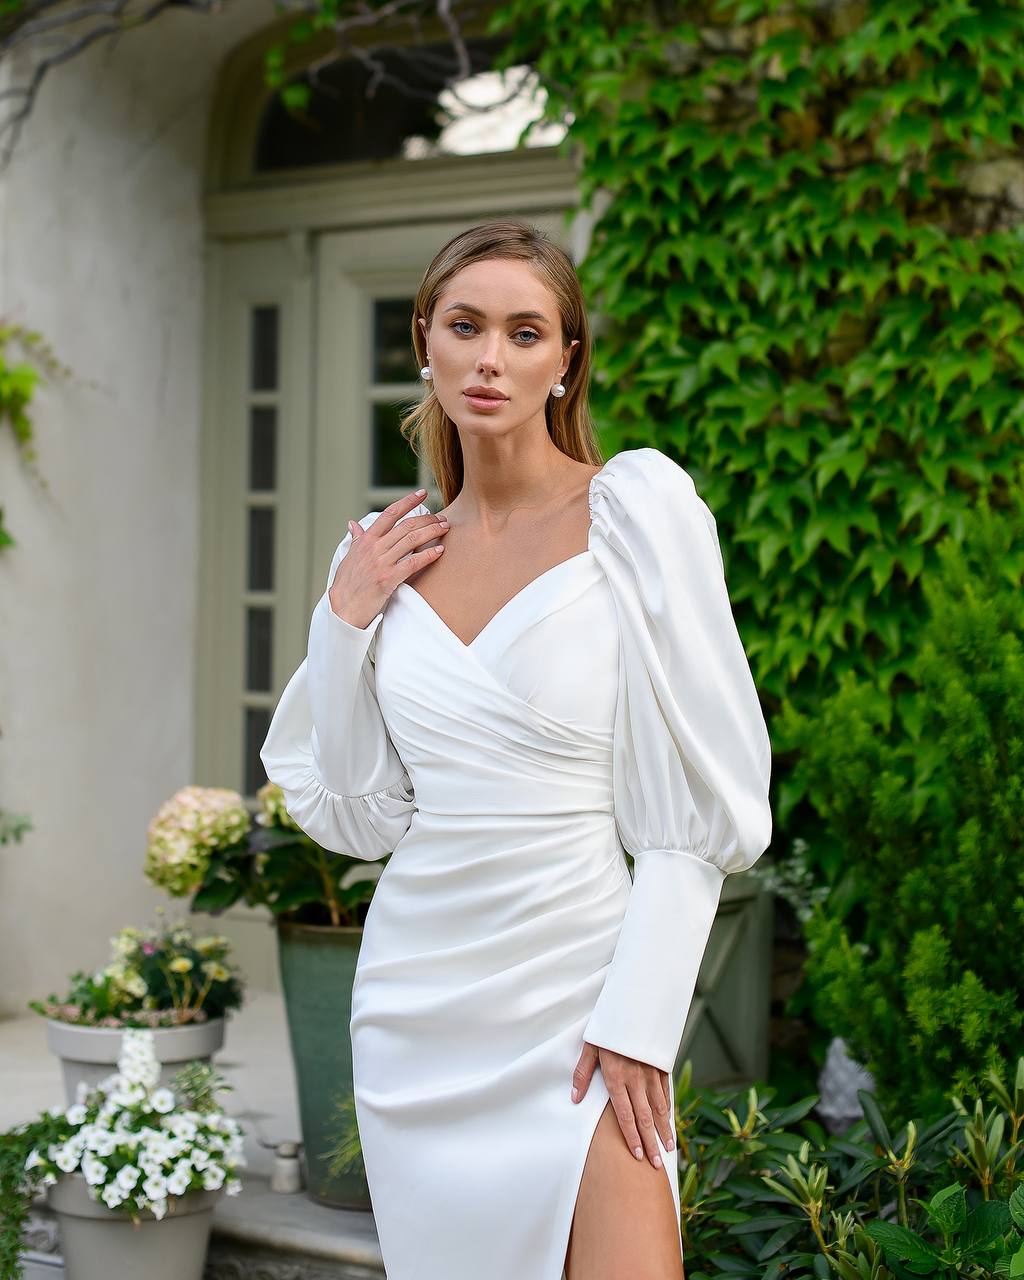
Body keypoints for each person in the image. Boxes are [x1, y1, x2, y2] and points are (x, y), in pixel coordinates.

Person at [260, 218, 773, 1280]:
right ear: (424, 341)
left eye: (524, 331)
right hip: (418, 1004)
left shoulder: (636, 512)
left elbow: (703, 809)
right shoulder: (383, 554)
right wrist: (342, 622)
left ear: (565, 359)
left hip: (585, 988)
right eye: (465, 325)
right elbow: (360, 811)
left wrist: (640, 1017)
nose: (490, 357)